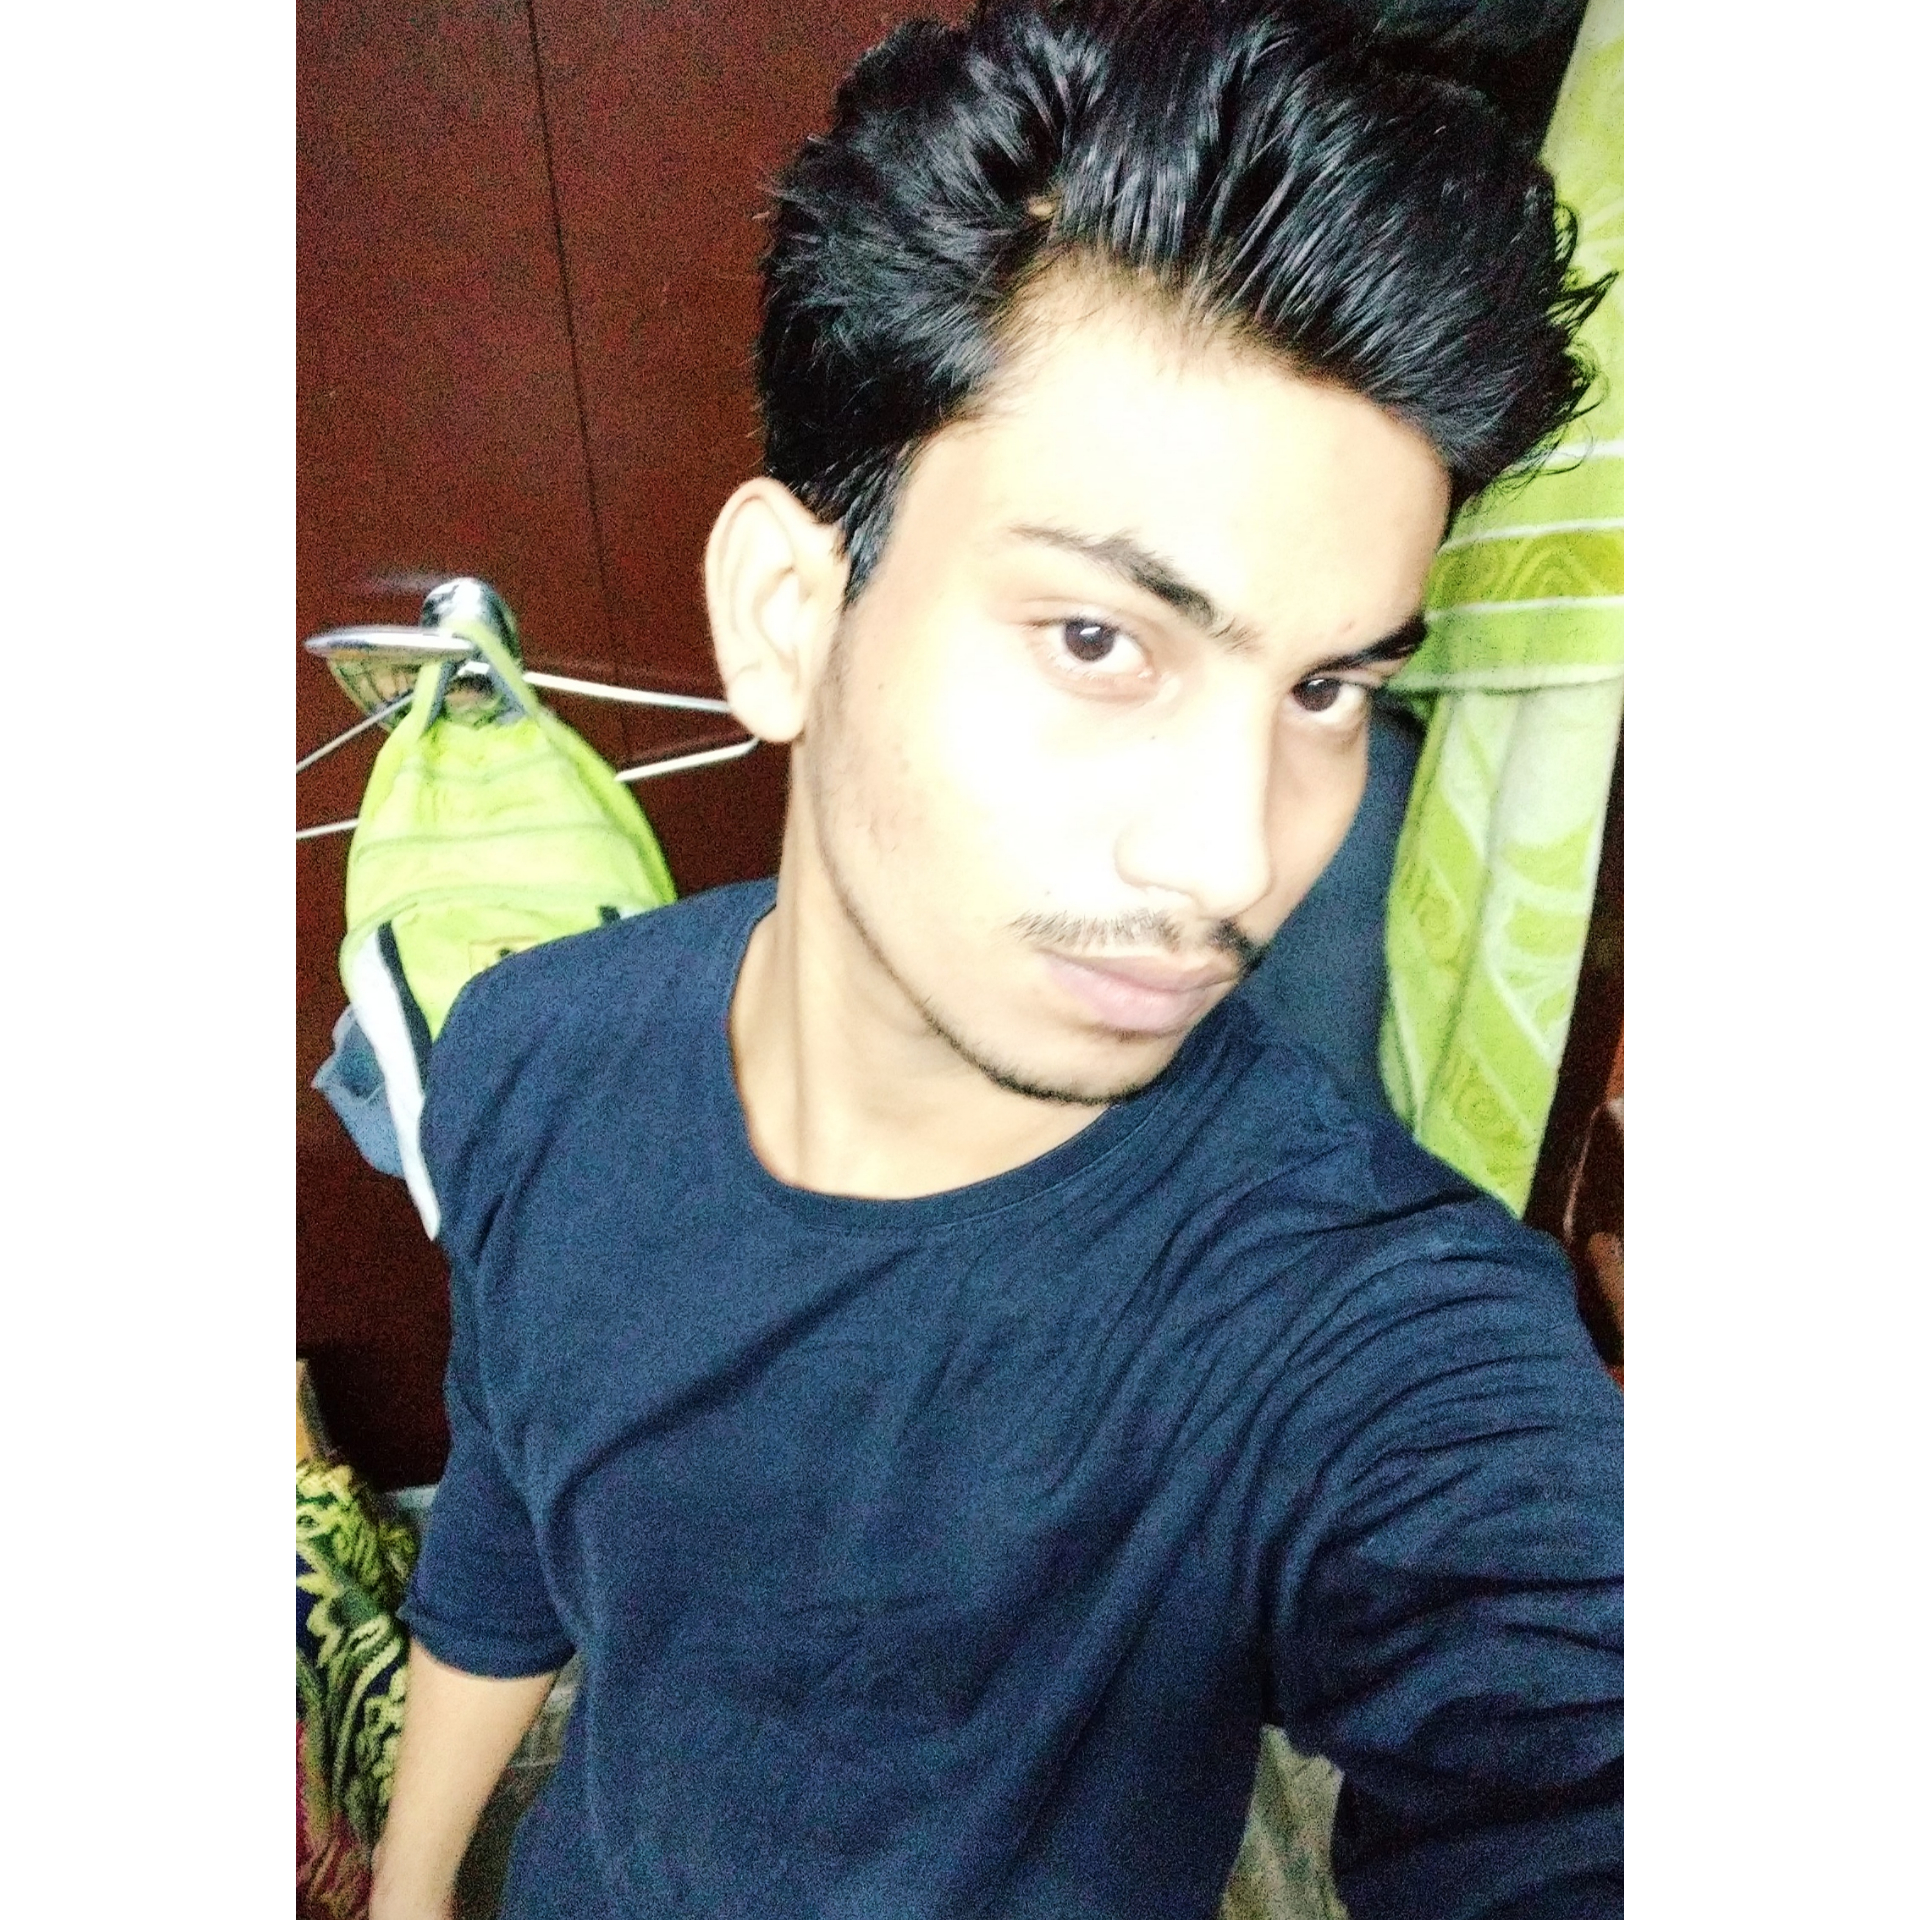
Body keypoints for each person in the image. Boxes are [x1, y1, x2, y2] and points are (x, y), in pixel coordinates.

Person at [370, 3, 1622, 1916]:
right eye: (1103, 641)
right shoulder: (531, 1053)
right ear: (789, 615)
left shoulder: (1362, 1331)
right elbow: (509, 1530)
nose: (1233, 859)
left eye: (1327, 688)